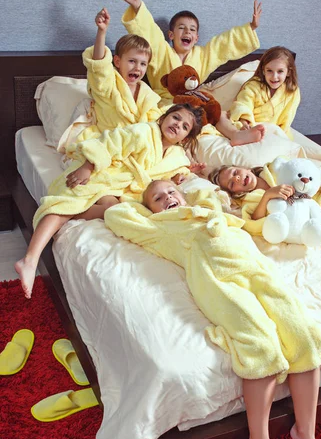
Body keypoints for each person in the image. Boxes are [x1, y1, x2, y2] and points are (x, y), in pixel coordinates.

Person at [104, 180, 321, 439]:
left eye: (172, 192)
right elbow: (116, 216)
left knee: (305, 336)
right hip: (219, 283)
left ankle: (305, 432)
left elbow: (251, 223)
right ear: (150, 209)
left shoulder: (210, 209)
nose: (168, 197)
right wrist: (134, 197)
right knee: (259, 344)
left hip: (257, 271)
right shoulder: (159, 226)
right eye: (158, 198)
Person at [15, 105, 203, 299]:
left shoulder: (176, 155)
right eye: (175, 117)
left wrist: (181, 175)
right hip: (104, 171)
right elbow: (109, 144)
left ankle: (75, 212)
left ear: (185, 138)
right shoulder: (143, 132)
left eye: (184, 126)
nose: (177, 125)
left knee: (113, 209)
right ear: (163, 118)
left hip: (120, 186)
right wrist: (87, 168)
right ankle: (30, 259)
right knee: (67, 202)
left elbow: (173, 170)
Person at [114, 0, 266, 147]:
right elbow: (150, 32)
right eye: (181, 28)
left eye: (192, 30)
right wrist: (137, 7)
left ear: (196, 38)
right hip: (167, 104)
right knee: (163, 121)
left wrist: (250, 28)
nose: (187, 32)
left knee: (218, 112)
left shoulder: (203, 55)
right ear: (171, 35)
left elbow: (222, 45)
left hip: (194, 105)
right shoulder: (161, 50)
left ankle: (235, 134)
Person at [61, 8, 162, 155]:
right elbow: (99, 68)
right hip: (108, 143)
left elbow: (153, 122)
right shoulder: (109, 86)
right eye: (132, 61)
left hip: (135, 146)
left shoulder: (147, 94)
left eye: (143, 64)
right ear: (117, 61)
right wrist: (101, 32)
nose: (137, 68)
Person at [229, 46, 300, 138]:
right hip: (250, 127)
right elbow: (243, 104)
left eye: (280, 71)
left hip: (275, 132)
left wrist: (280, 136)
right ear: (263, 71)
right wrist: (244, 120)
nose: (274, 77)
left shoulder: (292, 92)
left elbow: (287, 119)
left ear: (288, 72)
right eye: (269, 71)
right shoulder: (253, 86)